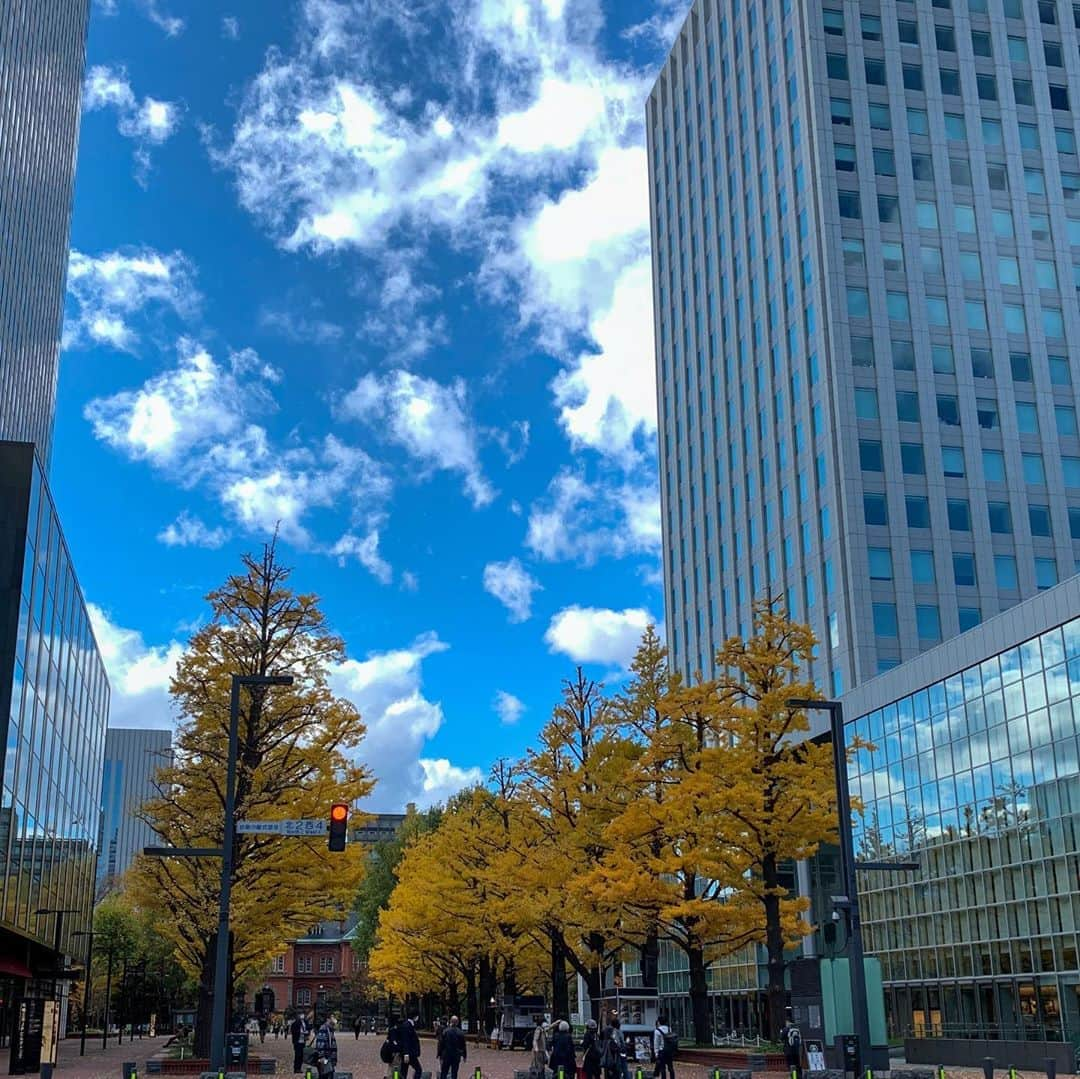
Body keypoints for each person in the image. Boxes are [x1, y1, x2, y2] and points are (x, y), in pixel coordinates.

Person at [602, 1013, 629, 1079]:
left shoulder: (607, 1031)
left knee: (610, 1071)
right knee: (623, 1069)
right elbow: (620, 1043)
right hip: (619, 1054)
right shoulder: (618, 1032)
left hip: (609, 1055)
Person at [396, 1013, 422, 1079]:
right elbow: (406, 1040)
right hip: (409, 1053)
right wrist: (406, 1053)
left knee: (404, 1071)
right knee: (418, 1069)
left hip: (407, 1052)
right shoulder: (407, 1026)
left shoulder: (408, 1025)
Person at [652, 1014, 675, 1079]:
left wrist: (656, 1053)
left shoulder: (657, 1031)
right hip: (669, 1050)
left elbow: (656, 1043)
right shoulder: (669, 1029)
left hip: (662, 1051)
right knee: (670, 1067)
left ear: (659, 1022)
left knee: (662, 1068)